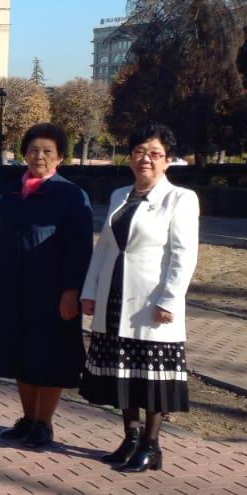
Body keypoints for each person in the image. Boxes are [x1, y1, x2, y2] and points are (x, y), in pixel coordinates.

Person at [79, 124, 199, 473]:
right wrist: (90, 291)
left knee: (150, 376)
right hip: (114, 296)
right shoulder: (120, 195)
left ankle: (151, 444)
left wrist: (169, 300)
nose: (145, 159)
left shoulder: (180, 199)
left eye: (155, 154)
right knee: (121, 372)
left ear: (168, 160)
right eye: (139, 152)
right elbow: (104, 248)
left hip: (151, 301)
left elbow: (184, 255)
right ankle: (130, 438)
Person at [0, 122, 94, 450]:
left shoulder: (71, 195)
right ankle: (27, 418)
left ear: (60, 157)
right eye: (33, 150)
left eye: (47, 151)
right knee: (19, 353)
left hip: (51, 293)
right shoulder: (13, 192)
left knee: (49, 356)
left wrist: (71, 290)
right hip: (11, 289)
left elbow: (80, 249)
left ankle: (44, 423)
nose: (39, 156)